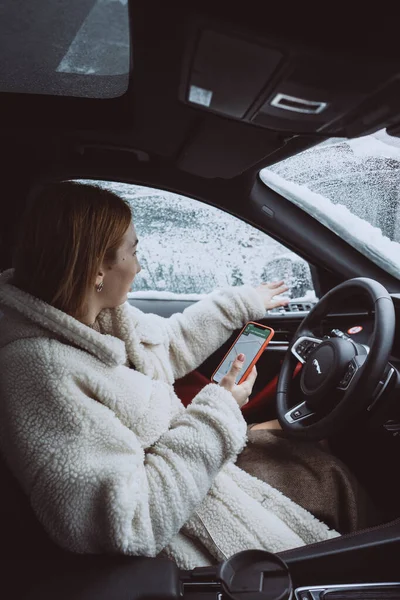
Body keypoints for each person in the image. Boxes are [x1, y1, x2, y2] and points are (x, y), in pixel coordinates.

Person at [0, 182, 371, 569]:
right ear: (97, 266)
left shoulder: (95, 319)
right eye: (134, 251)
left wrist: (243, 304)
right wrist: (219, 410)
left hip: (203, 480)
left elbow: (166, 345)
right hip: (192, 547)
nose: (139, 266)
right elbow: (128, 520)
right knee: (335, 491)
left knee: (325, 470)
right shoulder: (42, 373)